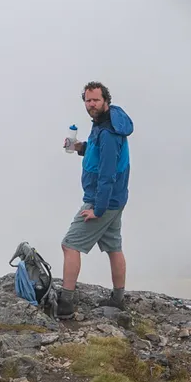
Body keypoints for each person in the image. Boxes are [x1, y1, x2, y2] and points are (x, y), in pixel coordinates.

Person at [61, 81, 132, 297]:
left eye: (96, 100)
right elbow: (99, 154)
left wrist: (97, 210)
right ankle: (118, 299)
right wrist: (80, 147)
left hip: (103, 200)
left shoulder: (109, 132)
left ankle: (66, 302)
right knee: (113, 247)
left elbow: (107, 173)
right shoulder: (103, 123)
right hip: (116, 198)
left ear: (106, 101)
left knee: (70, 244)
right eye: (88, 100)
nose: (91, 104)